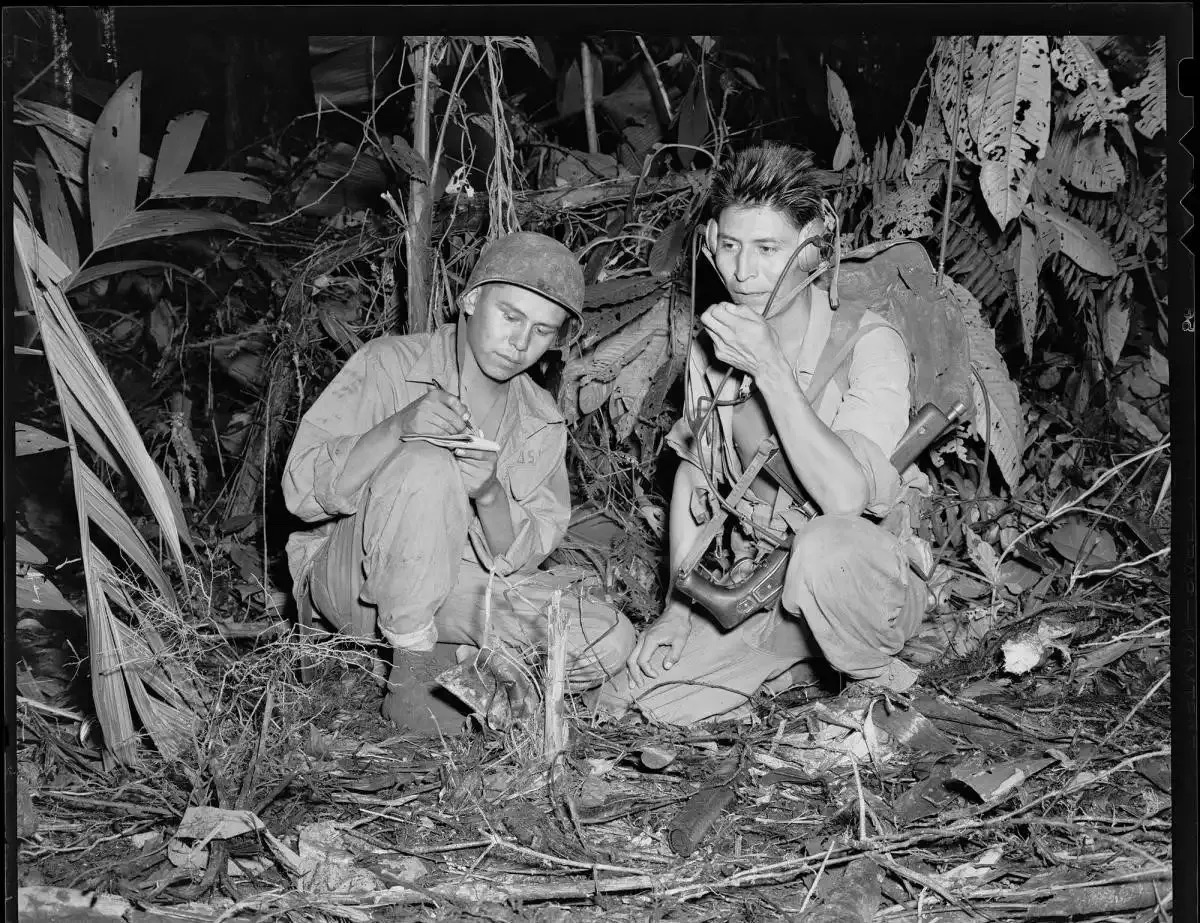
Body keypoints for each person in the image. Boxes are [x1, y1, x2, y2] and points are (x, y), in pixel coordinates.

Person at [596, 143, 930, 725]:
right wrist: (678, 609)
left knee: (827, 548)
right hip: (764, 579)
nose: (743, 271)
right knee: (653, 703)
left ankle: (877, 694)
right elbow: (695, 480)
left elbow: (847, 499)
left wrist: (772, 369)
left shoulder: (867, 345)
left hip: (862, 581)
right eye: (729, 247)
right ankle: (801, 662)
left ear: (812, 249)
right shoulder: (714, 351)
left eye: (767, 249)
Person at [283, 231, 635, 735]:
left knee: (607, 640)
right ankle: (411, 681)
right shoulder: (388, 364)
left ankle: (462, 663)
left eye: (541, 330)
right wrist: (398, 427)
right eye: (510, 317)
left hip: (456, 588)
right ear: (471, 299)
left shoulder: (539, 419)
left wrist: (489, 494)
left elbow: (521, 558)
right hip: (354, 581)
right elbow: (301, 494)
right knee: (427, 463)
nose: (519, 343)